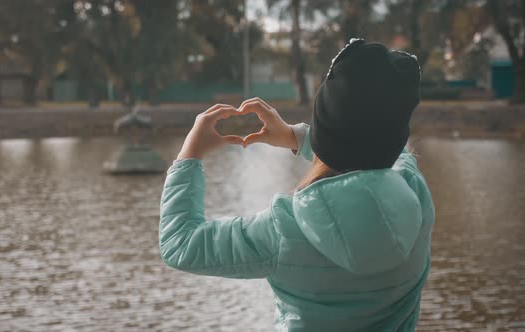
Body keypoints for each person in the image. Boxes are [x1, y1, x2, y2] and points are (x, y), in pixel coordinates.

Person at [159, 39, 435, 331]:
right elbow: (382, 147)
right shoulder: (416, 194)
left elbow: (179, 244)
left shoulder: (284, 231)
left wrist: (189, 154)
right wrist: (303, 138)